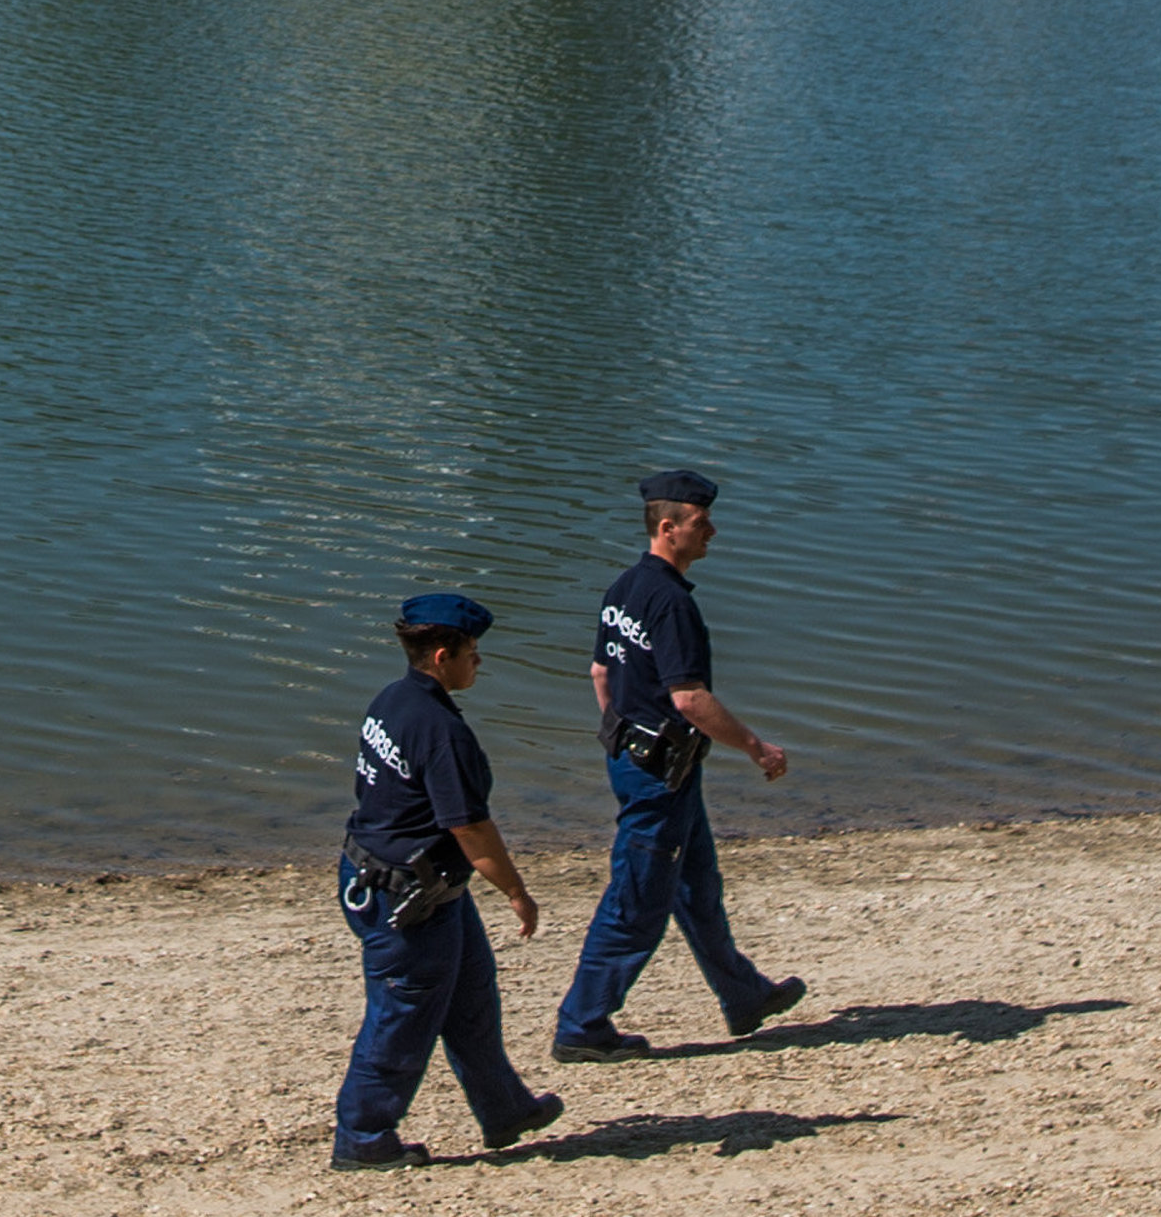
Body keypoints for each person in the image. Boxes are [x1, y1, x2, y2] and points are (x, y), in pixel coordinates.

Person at [551, 467, 810, 1060]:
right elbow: (689, 699)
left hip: (646, 762)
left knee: (696, 887)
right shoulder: (671, 604)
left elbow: (600, 673)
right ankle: (582, 1026)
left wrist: (622, 736)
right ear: (668, 528)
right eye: (702, 522)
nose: (712, 531)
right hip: (657, 774)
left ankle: (744, 996)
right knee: (637, 901)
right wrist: (756, 747)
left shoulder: (623, 588)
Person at [332, 593, 567, 1170]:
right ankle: (363, 1137)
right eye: (472, 652)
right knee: (401, 1015)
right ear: (442, 656)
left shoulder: (390, 701)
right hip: (406, 896)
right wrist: (517, 892)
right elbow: (471, 829)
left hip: (395, 875)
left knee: (471, 996)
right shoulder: (441, 731)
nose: (478, 662)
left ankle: (504, 1109)